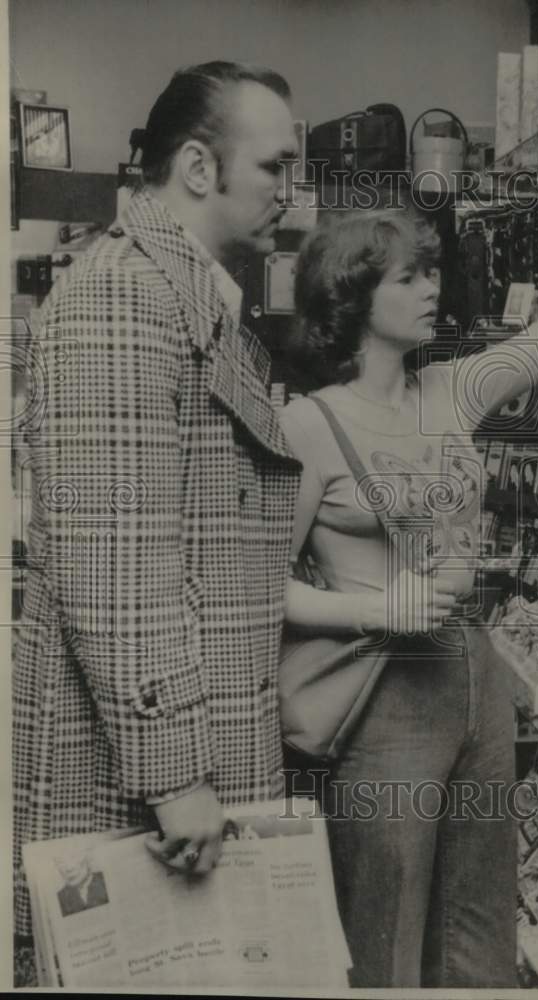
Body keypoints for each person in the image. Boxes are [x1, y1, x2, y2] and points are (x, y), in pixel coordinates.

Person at [278, 169, 538, 987]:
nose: (431, 288)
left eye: (432, 271)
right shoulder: (308, 424)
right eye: (407, 276)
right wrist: (376, 605)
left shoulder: (449, 390)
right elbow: (256, 588)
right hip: (379, 701)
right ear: (353, 296)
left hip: (475, 685)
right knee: (385, 920)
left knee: (480, 918)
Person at [13, 61, 302, 936]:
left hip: (187, 750)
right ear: (198, 168)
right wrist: (175, 777)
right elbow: (114, 567)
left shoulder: (181, 295)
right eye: (275, 166)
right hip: (141, 779)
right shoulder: (121, 298)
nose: (292, 188)